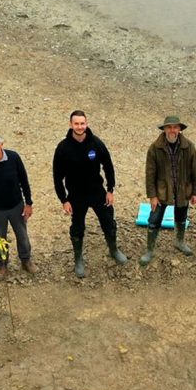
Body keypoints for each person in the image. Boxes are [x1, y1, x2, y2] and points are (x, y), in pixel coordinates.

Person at [52, 110, 127, 278]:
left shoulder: (96, 143)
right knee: (77, 227)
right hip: (76, 196)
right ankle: (78, 259)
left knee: (108, 221)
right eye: (76, 123)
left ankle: (113, 250)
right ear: (71, 125)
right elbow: (57, 176)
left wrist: (110, 189)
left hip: (97, 192)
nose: (80, 126)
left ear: (87, 124)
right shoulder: (63, 148)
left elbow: (108, 166)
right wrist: (63, 200)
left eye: (82, 123)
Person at [141, 116, 196, 265]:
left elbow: (195, 170)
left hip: (183, 190)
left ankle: (179, 242)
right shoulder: (155, 148)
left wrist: (195, 192)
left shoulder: (189, 147)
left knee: (181, 217)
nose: (172, 130)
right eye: (169, 127)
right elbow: (150, 174)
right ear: (164, 129)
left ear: (180, 129)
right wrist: (152, 196)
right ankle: (150, 250)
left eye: (175, 127)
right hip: (162, 192)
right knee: (154, 220)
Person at [0, 132, 37, 276]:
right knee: (0, 239)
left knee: (22, 236)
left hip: (16, 206)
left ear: (1, 144)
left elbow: (24, 181)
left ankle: (26, 260)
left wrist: (28, 203)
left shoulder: (14, 157)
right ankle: (2, 264)